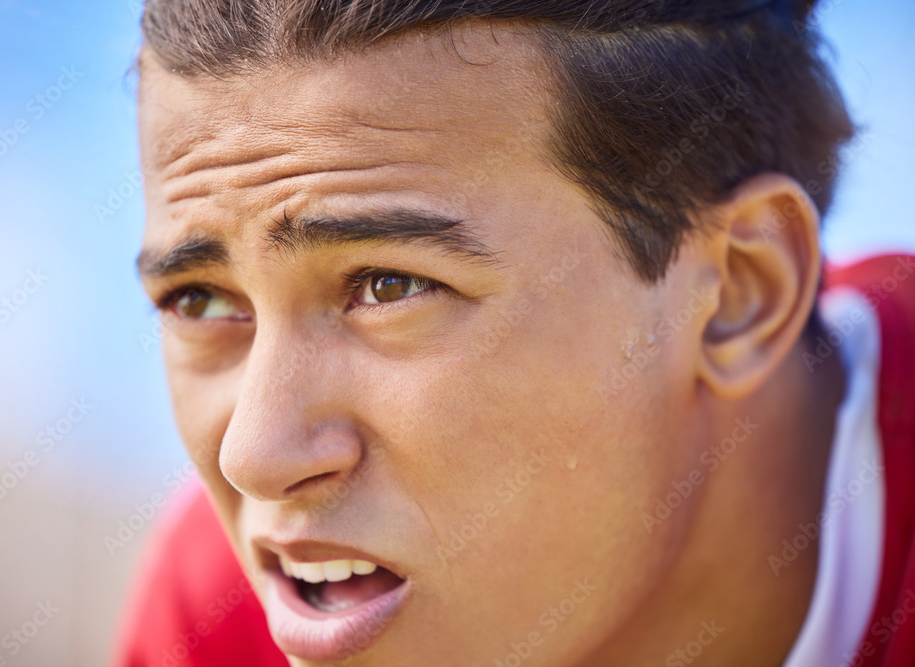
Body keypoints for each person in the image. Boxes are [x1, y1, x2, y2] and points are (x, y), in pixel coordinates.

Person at [115, 0, 915, 665]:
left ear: (740, 293)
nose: (255, 458)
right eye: (201, 301)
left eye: (388, 287)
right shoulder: (226, 612)